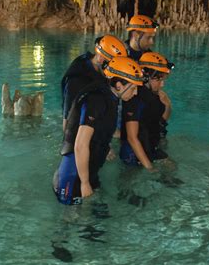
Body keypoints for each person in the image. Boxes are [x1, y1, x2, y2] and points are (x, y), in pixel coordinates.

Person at [53, 56, 145, 205]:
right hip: (73, 175)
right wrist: (84, 183)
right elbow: (80, 144)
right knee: (73, 223)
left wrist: (105, 148)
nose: (135, 93)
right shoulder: (97, 100)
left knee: (98, 220)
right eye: (133, 88)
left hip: (88, 171)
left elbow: (99, 129)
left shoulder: (110, 98)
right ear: (119, 85)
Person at [120, 52, 174, 171]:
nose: (163, 84)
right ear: (146, 76)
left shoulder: (155, 95)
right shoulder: (133, 97)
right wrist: (149, 167)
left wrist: (167, 105)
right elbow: (132, 138)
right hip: (133, 154)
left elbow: (161, 122)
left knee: (172, 171)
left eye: (163, 79)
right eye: (159, 79)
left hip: (150, 146)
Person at [61, 34, 127, 130]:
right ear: (100, 58)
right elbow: (67, 123)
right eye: (113, 65)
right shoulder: (77, 79)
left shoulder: (105, 72)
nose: (115, 70)